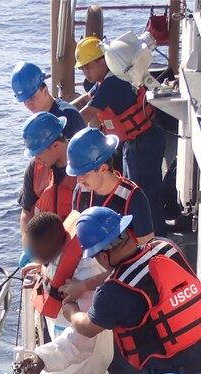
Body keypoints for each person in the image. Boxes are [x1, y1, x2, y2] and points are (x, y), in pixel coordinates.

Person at [63, 207, 201, 374]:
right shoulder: (166, 246)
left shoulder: (111, 292)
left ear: (102, 256)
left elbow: (87, 328)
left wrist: (70, 310)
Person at [21, 212, 120, 374]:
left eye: (34, 249)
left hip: (85, 353)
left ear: (51, 243)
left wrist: (43, 357)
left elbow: (82, 338)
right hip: (84, 348)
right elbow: (55, 268)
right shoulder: (63, 252)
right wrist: (43, 273)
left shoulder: (84, 269)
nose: (31, 254)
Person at [65, 127, 154, 374]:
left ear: (104, 167)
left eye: (83, 172)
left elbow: (145, 257)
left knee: (128, 370)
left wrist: (86, 285)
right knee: (98, 366)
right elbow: (72, 234)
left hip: (124, 294)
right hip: (100, 291)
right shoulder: (82, 193)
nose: (78, 179)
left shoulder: (133, 199)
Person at [73, 36, 166, 234]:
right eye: (81, 69)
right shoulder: (106, 80)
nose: (84, 72)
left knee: (144, 197)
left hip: (143, 145)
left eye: (88, 66)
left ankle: (154, 241)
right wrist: (61, 111)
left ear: (102, 61)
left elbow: (87, 113)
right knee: (138, 191)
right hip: (136, 144)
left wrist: (64, 129)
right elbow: (85, 99)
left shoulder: (113, 84)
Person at [18, 112, 77, 266]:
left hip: (76, 251)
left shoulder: (83, 167)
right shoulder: (34, 167)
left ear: (56, 145)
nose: (36, 159)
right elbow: (26, 212)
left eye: (39, 153)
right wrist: (29, 247)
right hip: (43, 254)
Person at [10, 61, 85, 138]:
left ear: (45, 90)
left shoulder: (67, 116)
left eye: (32, 97)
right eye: (24, 100)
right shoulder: (40, 118)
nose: (28, 103)